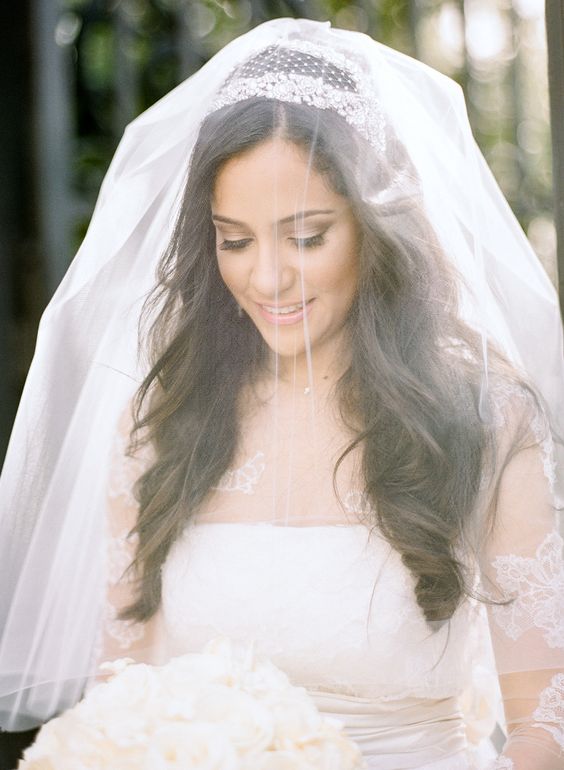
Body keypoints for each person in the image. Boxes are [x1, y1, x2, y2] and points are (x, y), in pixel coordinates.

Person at [0, 17, 563, 770]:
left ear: (375, 227)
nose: (266, 279)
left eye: (305, 237)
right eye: (234, 240)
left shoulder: (486, 420)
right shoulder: (160, 424)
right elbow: (125, 698)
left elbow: (546, 724)